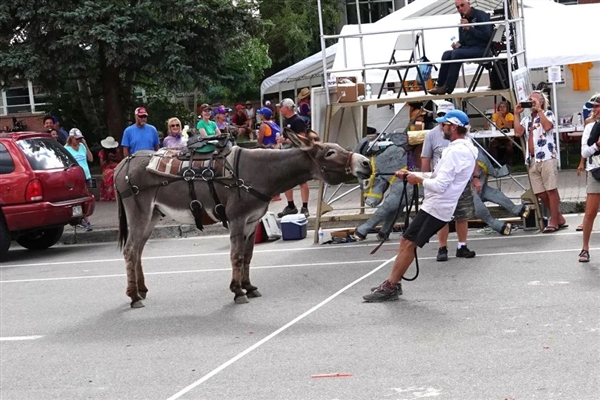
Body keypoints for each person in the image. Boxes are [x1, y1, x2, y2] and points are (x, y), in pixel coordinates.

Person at [363, 110, 478, 302]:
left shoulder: (456, 152)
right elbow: (438, 176)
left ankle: (391, 285)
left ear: (455, 127)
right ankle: (394, 282)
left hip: (438, 206)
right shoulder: (463, 149)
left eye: (445, 124)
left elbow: (440, 185)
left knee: (408, 243)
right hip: (437, 205)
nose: (441, 127)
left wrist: (418, 179)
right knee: (406, 241)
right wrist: (413, 175)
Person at [421, 102, 477, 261]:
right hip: (441, 181)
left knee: (462, 214)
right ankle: (442, 247)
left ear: (453, 125)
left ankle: (462, 245)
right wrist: (425, 180)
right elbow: (426, 158)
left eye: (444, 120)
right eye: (439, 116)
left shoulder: (463, 140)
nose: (441, 123)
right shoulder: (432, 135)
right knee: (441, 215)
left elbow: (472, 159)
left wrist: (475, 177)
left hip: (459, 182)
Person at [514, 91, 567, 233]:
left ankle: (554, 220)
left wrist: (539, 110)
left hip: (547, 157)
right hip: (532, 159)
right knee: (540, 192)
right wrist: (516, 114)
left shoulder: (547, 114)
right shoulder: (527, 119)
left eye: (534, 100)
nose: (531, 102)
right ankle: (559, 217)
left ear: (541, 102)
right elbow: (518, 132)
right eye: (529, 100)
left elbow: (548, 126)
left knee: (550, 189)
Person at [429, 0, 492, 95]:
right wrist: (458, 45)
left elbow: (488, 36)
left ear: (469, 4)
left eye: (462, 5)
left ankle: (448, 87)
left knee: (457, 54)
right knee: (447, 54)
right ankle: (440, 85)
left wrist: (470, 28)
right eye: (458, 7)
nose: (460, 9)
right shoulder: (462, 21)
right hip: (469, 49)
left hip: (483, 48)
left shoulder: (481, 15)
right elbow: (463, 42)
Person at [276, 98, 310, 218]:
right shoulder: (286, 121)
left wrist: (285, 140)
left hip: (297, 153)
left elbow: (302, 138)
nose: (280, 109)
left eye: (281, 107)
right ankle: (291, 205)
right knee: (286, 181)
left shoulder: (298, 120)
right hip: (287, 153)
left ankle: (305, 207)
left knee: (302, 180)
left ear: (286, 108)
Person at [578, 94, 600, 262]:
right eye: (594, 107)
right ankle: (585, 248)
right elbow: (584, 152)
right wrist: (597, 145)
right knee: (590, 212)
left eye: (597, 106)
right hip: (596, 171)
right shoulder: (590, 127)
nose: (595, 109)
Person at [65, 128, 93, 230]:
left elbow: (90, 159)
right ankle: (85, 221)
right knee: (79, 198)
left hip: (86, 175)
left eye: (80, 139)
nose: (78, 141)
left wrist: (85, 145)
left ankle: (83, 219)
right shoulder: (66, 149)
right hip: (76, 177)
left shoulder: (82, 146)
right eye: (76, 139)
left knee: (86, 198)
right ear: (71, 138)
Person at [98, 136, 121, 202]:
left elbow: (119, 160)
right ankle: (109, 195)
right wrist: (107, 158)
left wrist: (113, 158)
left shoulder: (116, 151)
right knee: (110, 174)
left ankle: (116, 194)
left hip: (115, 166)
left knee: (116, 172)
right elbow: (102, 164)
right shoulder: (102, 153)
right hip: (107, 168)